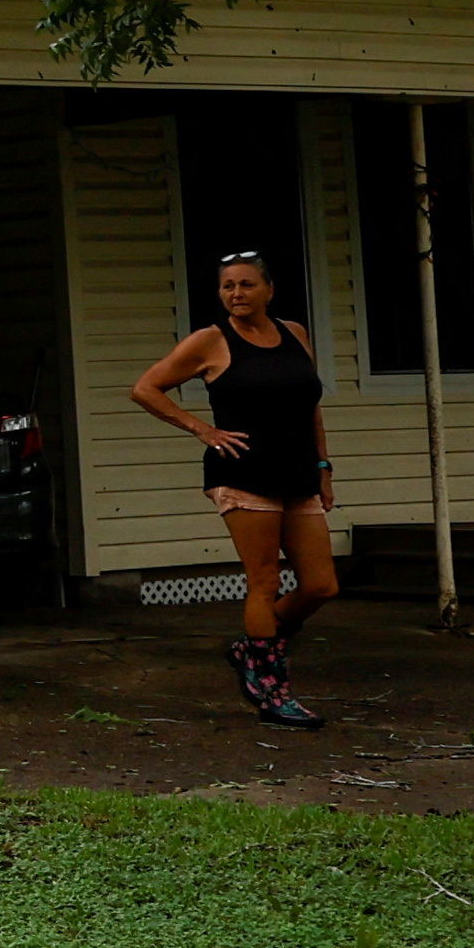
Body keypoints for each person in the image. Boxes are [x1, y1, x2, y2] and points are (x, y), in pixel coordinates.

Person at [128, 249, 338, 724]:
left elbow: (311, 405)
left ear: (269, 289)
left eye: (246, 285)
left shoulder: (295, 334)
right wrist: (201, 428)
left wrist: (323, 465)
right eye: (228, 286)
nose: (237, 294)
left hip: (298, 471)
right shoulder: (211, 340)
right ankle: (270, 689)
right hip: (243, 473)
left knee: (321, 585)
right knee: (263, 580)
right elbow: (145, 388)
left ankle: (252, 648)